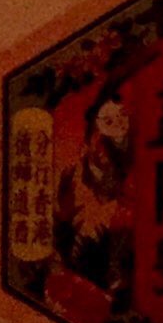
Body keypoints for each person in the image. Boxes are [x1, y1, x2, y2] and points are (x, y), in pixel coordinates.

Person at [54, 87, 134, 298]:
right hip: (109, 206)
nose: (118, 123)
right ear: (97, 125)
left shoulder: (139, 140)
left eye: (123, 115)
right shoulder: (97, 152)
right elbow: (103, 188)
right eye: (108, 121)